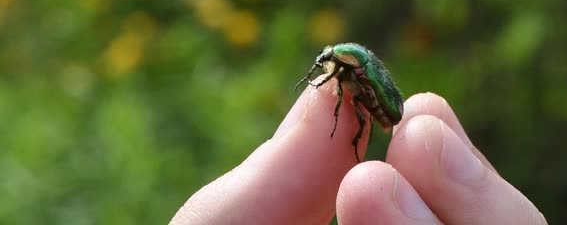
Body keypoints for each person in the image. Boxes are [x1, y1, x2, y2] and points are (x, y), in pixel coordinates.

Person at [170, 82, 547, 224]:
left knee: (360, 119)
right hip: (387, 115)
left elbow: (366, 101)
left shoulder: (352, 74)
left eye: (326, 66)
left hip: (388, 110)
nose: (322, 73)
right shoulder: (343, 74)